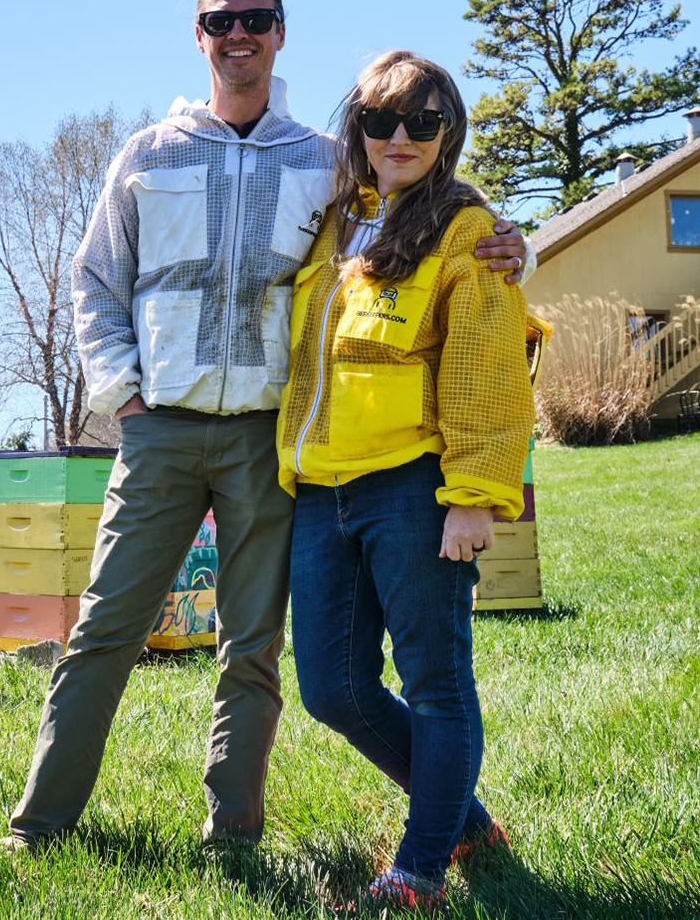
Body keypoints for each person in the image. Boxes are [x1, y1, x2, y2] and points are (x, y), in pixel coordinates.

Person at [0, 0, 533, 852]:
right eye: (220, 19)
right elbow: (96, 280)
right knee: (101, 631)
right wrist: (121, 394)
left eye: (257, 17)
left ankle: (233, 838)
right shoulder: (147, 153)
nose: (238, 32)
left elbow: (429, 212)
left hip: (266, 439)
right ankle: (38, 825)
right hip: (159, 430)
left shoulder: (321, 162)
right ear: (199, 35)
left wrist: (523, 249)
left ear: (281, 31)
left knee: (250, 650)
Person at [277, 51, 536, 909]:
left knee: (434, 681)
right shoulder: (334, 222)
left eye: (421, 122)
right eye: (380, 121)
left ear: (447, 133)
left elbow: (488, 368)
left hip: (411, 486)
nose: (399, 137)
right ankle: (465, 821)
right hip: (321, 487)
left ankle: (418, 869)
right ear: (357, 130)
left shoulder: (469, 231)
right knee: (331, 687)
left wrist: (472, 494)